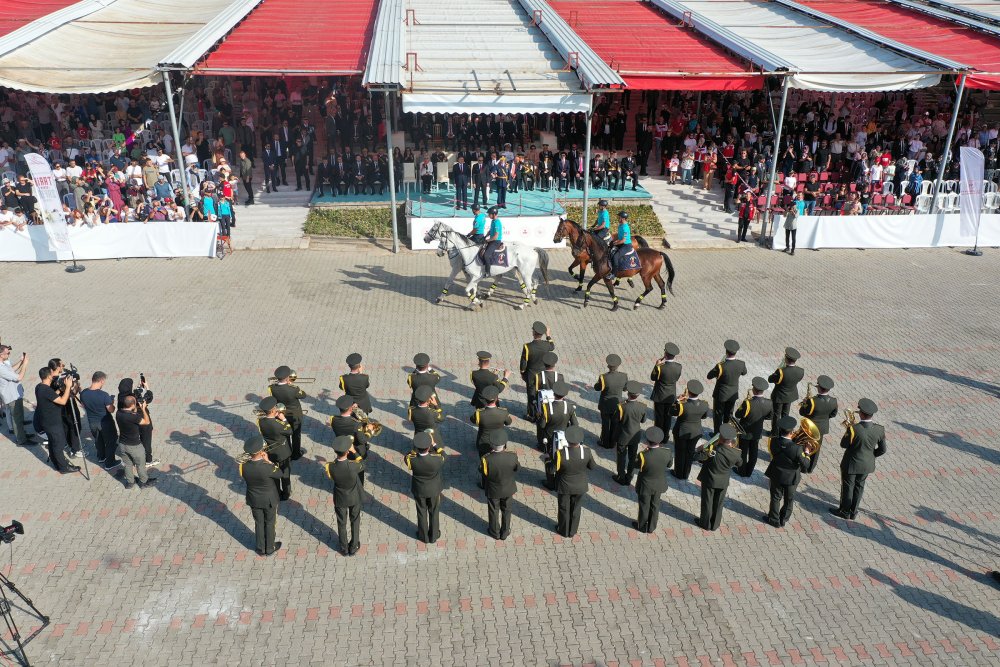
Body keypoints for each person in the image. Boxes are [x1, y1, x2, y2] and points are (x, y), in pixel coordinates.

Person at [831, 398, 887, 520]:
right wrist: (871, 456)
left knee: (848, 487)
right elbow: (882, 450)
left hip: (851, 464)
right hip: (867, 464)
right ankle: (853, 512)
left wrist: (848, 431)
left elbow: (843, 445)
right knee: (859, 487)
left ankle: (845, 511)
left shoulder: (853, 429)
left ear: (861, 413)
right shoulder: (880, 429)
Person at [240, 435, 283, 556]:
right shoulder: (267, 467)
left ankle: (260, 548)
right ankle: (270, 547)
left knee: (258, 522)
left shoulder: (242, 466)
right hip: (269, 499)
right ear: (260, 451)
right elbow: (280, 474)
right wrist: (268, 461)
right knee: (269, 523)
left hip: (253, 499)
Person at [764, 416, 811, 527]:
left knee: (775, 498)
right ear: (791, 432)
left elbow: (782, 448)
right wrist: (807, 452)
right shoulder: (797, 449)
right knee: (789, 499)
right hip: (791, 477)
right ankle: (783, 519)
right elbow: (806, 465)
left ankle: (773, 520)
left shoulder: (773, 441)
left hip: (776, 473)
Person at [696, 423, 741, 531]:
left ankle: (705, 524)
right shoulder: (736, 453)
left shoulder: (712, 450)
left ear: (720, 438)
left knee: (707, 502)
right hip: (723, 481)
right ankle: (715, 524)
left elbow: (698, 458)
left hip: (709, 480)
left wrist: (701, 449)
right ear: (731, 440)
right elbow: (739, 463)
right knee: (719, 503)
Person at [554, 425, 595, 538]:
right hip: (580, 486)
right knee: (576, 508)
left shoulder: (560, 454)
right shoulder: (586, 451)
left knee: (564, 508)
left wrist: (548, 459)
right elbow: (592, 466)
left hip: (564, 486)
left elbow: (553, 468)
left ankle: (563, 530)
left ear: (567, 440)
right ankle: (572, 531)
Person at [327, 434, 364, 556]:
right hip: (354, 496)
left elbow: (331, 476)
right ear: (347, 451)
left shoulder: (330, 466)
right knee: (355, 520)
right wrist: (355, 452)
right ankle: (353, 546)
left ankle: (343, 548)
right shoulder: (353, 466)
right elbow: (362, 465)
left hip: (340, 497)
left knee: (341, 522)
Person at [35, 367, 78, 473]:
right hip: (53, 423)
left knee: (52, 443)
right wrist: (68, 387)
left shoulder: (39, 387)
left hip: (46, 422)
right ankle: (63, 468)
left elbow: (51, 396)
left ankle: (56, 462)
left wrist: (60, 390)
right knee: (59, 445)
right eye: (52, 373)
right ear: (49, 376)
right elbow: (63, 401)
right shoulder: (46, 390)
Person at [405, 431, 446, 543]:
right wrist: (434, 444)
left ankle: (423, 536)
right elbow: (444, 455)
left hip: (419, 490)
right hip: (434, 489)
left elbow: (408, 456)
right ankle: (434, 535)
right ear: (428, 447)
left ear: (417, 447)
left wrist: (415, 448)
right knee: (434, 511)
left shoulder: (411, 460)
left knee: (421, 512)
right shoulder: (437, 459)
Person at [480, 430, 519, 540]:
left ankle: (494, 532)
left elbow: (483, 473)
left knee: (493, 510)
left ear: (492, 445)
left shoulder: (486, 459)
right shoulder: (513, 456)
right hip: (508, 488)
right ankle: (505, 532)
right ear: (505, 444)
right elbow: (517, 468)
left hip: (493, 490)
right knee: (507, 510)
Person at [632, 427, 671, 533]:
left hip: (645, 485)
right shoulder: (667, 452)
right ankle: (652, 527)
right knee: (655, 505)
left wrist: (643, 452)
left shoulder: (643, 455)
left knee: (644, 506)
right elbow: (669, 464)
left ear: (647, 441)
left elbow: (635, 465)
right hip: (659, 484)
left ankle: (642, 526)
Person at [540, 380, 577, 489]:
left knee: (550, 460)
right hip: (564, 438)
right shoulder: (569, 407)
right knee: (562, 459)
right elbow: (575, 424)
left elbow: (542, 425)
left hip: (550, 438)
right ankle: (560, 481)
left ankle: (551, 483)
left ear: (553, 394)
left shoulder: (547, 407)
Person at [79, 371, 120, 470]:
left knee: (98, 439)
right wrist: (112, 403)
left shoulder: (83, 393)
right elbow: (111, 409)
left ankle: (101, 457)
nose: (103, 384)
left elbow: (84, 405)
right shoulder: (104, 395)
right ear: (101, 380)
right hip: (105, 423)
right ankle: (109, 463)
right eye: (103, 382)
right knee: (111, 441)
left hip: (92, 422)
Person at [706, 339, 748, 434]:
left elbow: (709, 376)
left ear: (726, 352)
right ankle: (725, 433)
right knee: (728, 415)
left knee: (718, 415)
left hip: (721, 394)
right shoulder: (741, 364)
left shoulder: (721, 366)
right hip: (733, 394)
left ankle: (717, 434)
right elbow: (744, 372)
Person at [798, 375, 838, 474]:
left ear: (819, 387)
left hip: (809, 427)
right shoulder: (834, 401)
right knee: (816, 448)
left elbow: (803, 412)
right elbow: (833, 414)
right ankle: (810, 468)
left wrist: (804, 404)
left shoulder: (812, 401)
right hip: (822, 428)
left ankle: (802, 466)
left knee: (804, 445)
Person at [670, 379, 709, 480]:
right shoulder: (704, 404)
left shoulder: (682, 405)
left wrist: (677, 400)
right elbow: (704, 416)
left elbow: (671, 412)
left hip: (682, 431)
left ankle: (678, 473)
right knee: (690, 453)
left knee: (680, 452)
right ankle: (686, 474)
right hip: (696, 431)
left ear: (688, 391)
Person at [256, 397, 293, 500]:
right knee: (285, 474)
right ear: (272, 410)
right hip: (283, 452)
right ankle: (286, 493)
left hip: (270, 451)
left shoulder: (260, 421)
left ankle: (277, 492)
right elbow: (289, 431)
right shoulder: (278, 425)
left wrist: (274, 417)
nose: (277, 408)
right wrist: (283, 419)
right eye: (275, 407)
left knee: (274, 472)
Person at [735, 377, 772, 477]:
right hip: (757, 431)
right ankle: (749, 472)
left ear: (754, 389)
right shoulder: (770, 403)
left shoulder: (748, 403)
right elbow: (770, 416)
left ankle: (742, 472)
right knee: (754, 452)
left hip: (745, 431)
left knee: (742, 452)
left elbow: (738, 414)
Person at [268, 365, 307, 460]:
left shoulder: (272, 388)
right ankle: (296, 454)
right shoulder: (294, 389)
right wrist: (291, 385)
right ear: (287, 378)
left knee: (285, 433)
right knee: (296, 434)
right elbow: (303, 395)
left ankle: (288, 452)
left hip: (281, 414)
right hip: (295, 415)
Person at [116, 395, 154, 489]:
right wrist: (144, 409)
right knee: (140, 464)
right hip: (135, 446)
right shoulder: (134, 417)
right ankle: (143, 481)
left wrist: (134, 409)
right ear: (133, 404)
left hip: (122, 444)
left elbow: (132, 413)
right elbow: (146, 422)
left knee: (128, 464)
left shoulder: (118, 413)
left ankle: (130, 483)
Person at [613, 380, 647, 486]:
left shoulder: (621, 406)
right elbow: (643, 420)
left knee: (621, 457)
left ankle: (621, 476)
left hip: (623, 435)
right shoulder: (643, 406)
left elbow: (615, 420)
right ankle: (630, 477)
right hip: (635, 436)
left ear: (628, 393)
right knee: (632, 457)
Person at [0, 345, 35, 447]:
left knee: (19, 418)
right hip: (11, 396)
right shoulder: (0, 368)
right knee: (17, 419)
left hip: (15, 394)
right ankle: (21, 440)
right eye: (7, 353)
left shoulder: (3, 364)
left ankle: (22, 435)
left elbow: (11, 369)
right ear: (1, 355)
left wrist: (21, 362)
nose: (9, 354)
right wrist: (25, 365)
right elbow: (19, 377)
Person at [519, 321, 554, 422]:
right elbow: (552, 346)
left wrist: (522, 372)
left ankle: (531, 415)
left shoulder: (527, 347)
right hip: (543, 375)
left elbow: (523, 362)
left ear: (533, 332)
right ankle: (542, 412)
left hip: (531, 375)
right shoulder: (547, 345)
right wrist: (548, 335)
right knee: (541, 393)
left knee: (531, 395)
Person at [594, 354, 628, 450]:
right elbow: (625, 389)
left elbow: (598, 388)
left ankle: (605, 442)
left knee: (605, 424)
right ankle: (612, 443)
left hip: (605, 404)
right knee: (615, 424)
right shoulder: (624, 376)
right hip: (617, 403)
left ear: (608, 366)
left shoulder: (603, 377)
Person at [769, 347, 804, 436]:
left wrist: (779, 369)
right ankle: (784, 432)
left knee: (776, 415)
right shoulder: (800, 371)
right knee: (785, 414)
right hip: (790, 395)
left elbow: (770, 379)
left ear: (786, 358)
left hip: (779, 396)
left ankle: (774, 433)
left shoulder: (781, 372)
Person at [649, 342, 681, 438]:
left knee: (659, 418)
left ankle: (658, 437)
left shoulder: (660, 368)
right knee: (668, 417)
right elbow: (677, 378)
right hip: (671, 395)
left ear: (665, 354)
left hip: (660, 395)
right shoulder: (679, 366)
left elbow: (653, 377)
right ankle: (665, 437)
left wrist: (656, 366)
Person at [470, 386, 512, 458]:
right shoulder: (503, 412)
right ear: (496, 399)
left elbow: (472, 420)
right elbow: (508, 422)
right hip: (499, 441)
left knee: (484, 459)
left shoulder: (479, 413)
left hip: (483, 443)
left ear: (485, 400)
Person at [331, 394, 371, 469]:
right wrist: (369, 431)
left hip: (342, 448)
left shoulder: (333, 419)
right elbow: (362, 440)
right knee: (359, 472)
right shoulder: (357, 424)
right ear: (350, 408)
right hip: (356, 451)